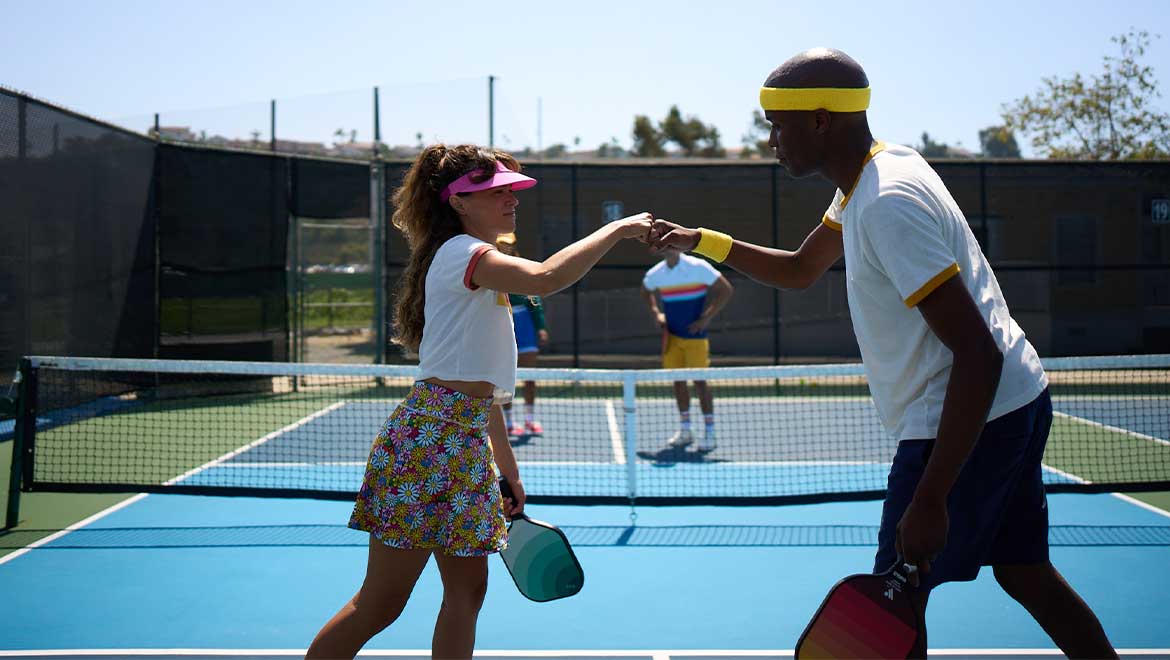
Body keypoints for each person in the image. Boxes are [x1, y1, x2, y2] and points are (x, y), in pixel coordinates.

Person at [648, 48, 1116, 658]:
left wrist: (930, 498)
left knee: (893, 608)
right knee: (1024, 572)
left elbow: (976, 353)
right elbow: (800, 269)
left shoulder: (888, 202)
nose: (769, 138)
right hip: (1017, 400)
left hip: (965, 414)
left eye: (776, 122)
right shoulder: (874, 174)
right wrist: (701, 241)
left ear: (820, 120)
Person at [307, 144, 653, 659]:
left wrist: (507, 471)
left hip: (463, 443)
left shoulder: (478, 261)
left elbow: (481, 390)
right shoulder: (463, 254)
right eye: (493, 192)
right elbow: (547, 278)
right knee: (382, 604)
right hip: (426, 444)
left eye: (511, 190)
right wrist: (619, 228)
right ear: (458, 203)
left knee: (468, 592)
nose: (510, 199)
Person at [640, 246, 733, 451]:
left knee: (700, 382)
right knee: (678, 383)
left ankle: (710, 432)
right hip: (672, 338)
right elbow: (645, 290)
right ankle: (685, 429)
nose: (670, 248)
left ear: (680, 247)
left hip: (696, 338)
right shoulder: (656, 274)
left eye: (673, 244)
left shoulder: (698, 267)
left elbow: (725, 290)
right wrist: (656, 313)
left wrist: (706, 318)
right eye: (666, 246)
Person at [496, 232, 550, 438]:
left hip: (525, 324)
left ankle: (530, 419)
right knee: (503, 378)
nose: (506, 247)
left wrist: (541, 327)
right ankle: (509, 422)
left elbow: (534, 300)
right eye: (502, 244)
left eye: (508, 244)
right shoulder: (488, 264)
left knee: (530, 376)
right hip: (501, 321)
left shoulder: (523, 267)